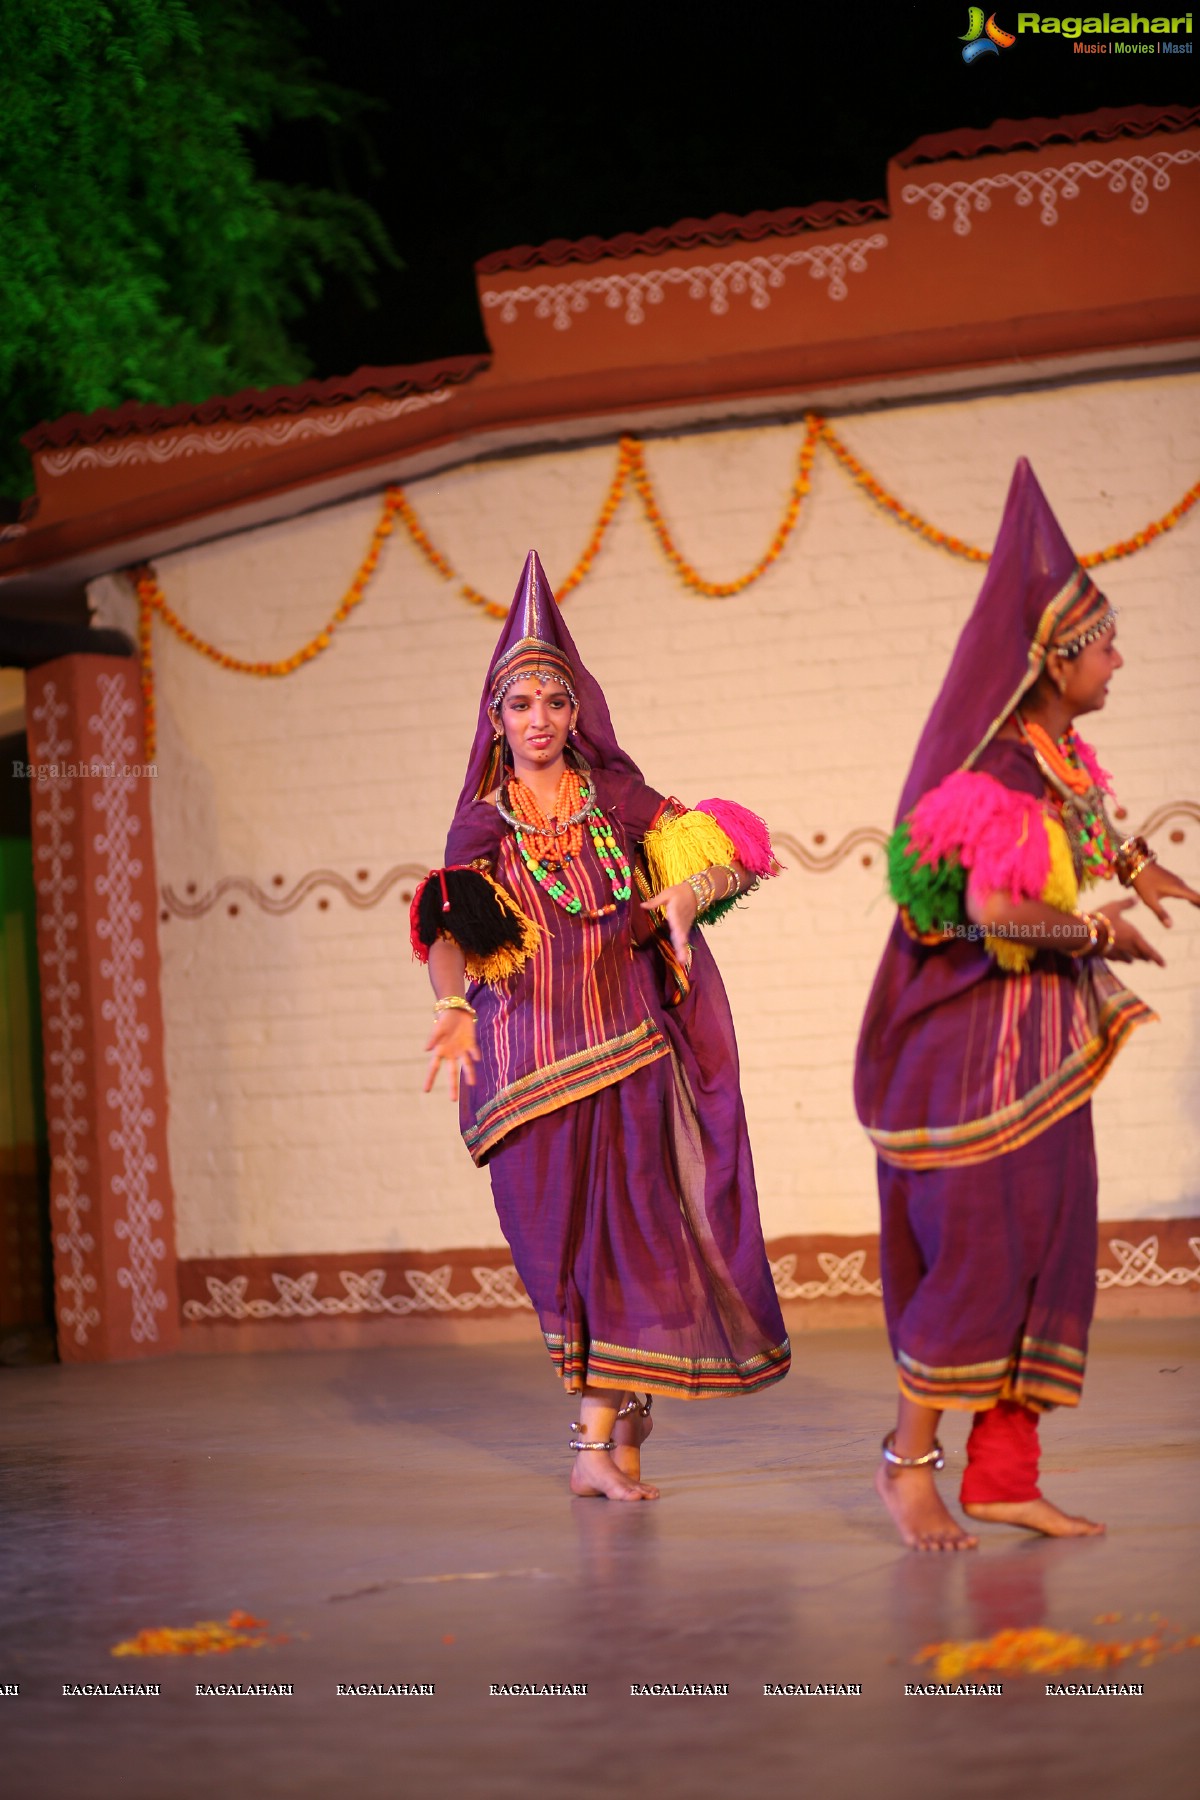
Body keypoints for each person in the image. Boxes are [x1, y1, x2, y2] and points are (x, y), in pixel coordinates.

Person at [855, 459, 1198, 1551]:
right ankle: (909, 1468)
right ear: (1053, 656)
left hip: (1045, 1053)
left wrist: (1139, 869)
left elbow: (1091, 819)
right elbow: (1005, 907)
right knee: (980, 1257)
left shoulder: (1053, 755)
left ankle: (1005, 1476)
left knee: (1050, 1252)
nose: (1118, 658)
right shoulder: (996, 770)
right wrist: (1100, 929)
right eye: (1103, 641)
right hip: (973, 1057)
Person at [413, 551, 790, 1501]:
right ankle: (619, 1425)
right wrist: (453, 1008)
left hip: (627, 1054)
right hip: (527, 1070)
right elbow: (448, 929)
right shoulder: (482, 826)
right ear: (496, 723)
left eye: (554, 701)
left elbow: (735, 856)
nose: (538, 720)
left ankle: (595, 1447)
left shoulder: (616, 801)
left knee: (631, 1248)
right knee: (558, 1255)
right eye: (520, 705)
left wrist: (684, 894)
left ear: (577, 713)